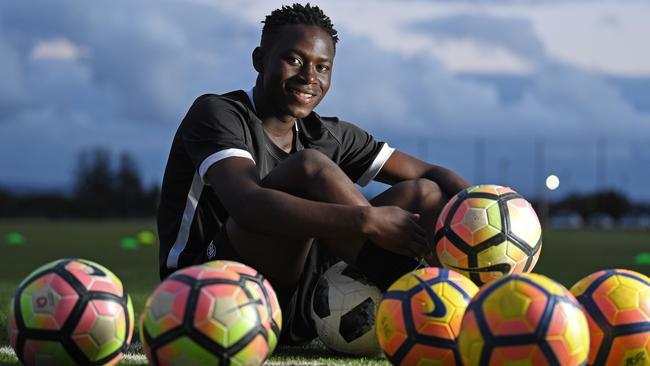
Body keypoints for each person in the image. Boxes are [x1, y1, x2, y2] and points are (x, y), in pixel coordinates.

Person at [157, 3, 470, 345]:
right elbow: (248, 204)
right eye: (294, 60)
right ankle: (419, 297)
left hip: (300, 297)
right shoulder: (217, 114)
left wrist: (493, 207)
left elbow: (430, 172)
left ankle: (465, 297)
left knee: (424, 193)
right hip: (211, 295)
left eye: (322, 67)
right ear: (260, 60)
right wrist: (368, 219)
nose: (309, 77)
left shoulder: (327, 133)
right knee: (310, 168)